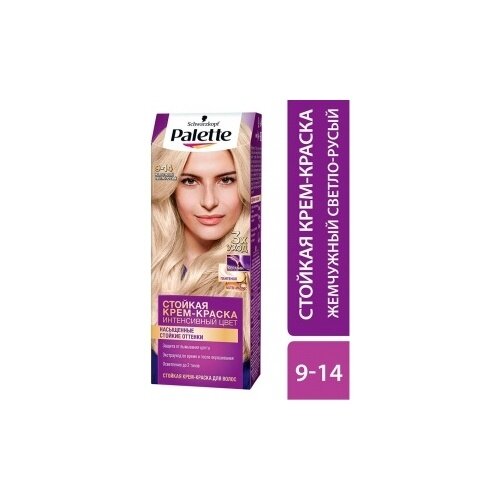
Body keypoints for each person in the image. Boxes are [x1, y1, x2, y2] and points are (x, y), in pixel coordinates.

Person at [151, 125, 251, 386]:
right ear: (170, 187)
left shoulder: (256, 274)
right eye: (189, 181)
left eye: (226, 180)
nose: (209, 201)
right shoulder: (150, 266)